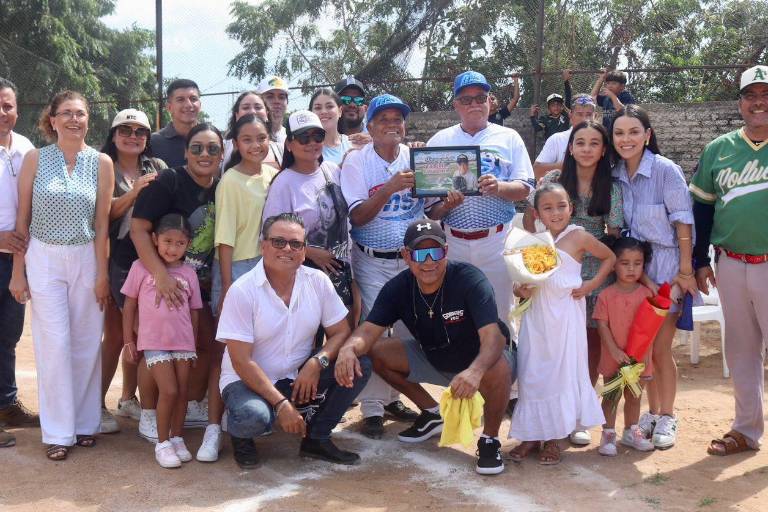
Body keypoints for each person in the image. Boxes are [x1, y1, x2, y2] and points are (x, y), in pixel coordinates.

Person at [335, 219, 516, 475]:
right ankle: (432, 413)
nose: (429, 261)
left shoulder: (469, 278)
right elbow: (368, 331)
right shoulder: (398, 287)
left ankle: (489, 440)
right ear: (406, 256)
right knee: (374, 351)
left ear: (447, 251)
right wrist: (348, 349)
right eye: (420, 253)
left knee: (497, 368)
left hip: (482, 362)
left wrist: (475, 371)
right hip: (434, 357)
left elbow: (494, 337)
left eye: (436, 252)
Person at [217, 213, 372, 468]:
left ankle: (317, 438)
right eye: (278, 242)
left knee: (358, 364)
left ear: (303, 250)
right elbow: (241, 362)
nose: (287, 249)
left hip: (297, 375)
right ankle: (241, 434)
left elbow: (341, 332)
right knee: (253, 416)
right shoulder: (242, 291)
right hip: (246, 380)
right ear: (263, 245)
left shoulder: (317, 281)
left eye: (295, 244)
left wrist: (317, 363)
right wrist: (281, 404)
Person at [10, 90, 113, 460]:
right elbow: (22, 220)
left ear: (88, 119)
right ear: (51, 120)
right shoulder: (36, 159)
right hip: (43, 257)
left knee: (87, 341)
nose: (74, 119)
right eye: (66, 113)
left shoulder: (101, 162)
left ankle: (85, 424)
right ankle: (57, 432)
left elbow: (102, 224)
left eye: (80, 113)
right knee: (53, 344)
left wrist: (102, 274)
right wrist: (18, 273)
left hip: (85, 256)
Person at [523, 120, 623, 445]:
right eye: (580, 142)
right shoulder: (552, 180)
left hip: (590, 274)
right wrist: (538, 254)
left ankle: (579, 416)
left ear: (603, 149)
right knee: (549, 346)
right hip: (553, 273)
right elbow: (530, 217)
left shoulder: (612, 186)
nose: (587, 149)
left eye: (594, 143)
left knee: (587, 346)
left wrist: (594, 277)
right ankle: (550, 416)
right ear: (570, 147)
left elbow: (614, 235)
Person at [130, 122, 224, 461]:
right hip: (160, 279)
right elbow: (140, 229)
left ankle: (183, 414)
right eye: (197, 147)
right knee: (154, 347)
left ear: (221, 154)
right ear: (185, 152)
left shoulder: (221, 187)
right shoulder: (169, 181)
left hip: (199, 284)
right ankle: (150, 415)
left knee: (195, 347)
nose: (204, 154)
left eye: (212, 148)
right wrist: (160, 275)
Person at [340, 94, 429, 438]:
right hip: (373, 259)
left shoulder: (415, 157)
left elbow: (431, 211)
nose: (393, 124)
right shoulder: (357, 162)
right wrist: (389, 188)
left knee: (409, 330)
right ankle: (372, 407)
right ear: (371, 126)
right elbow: (358, 215)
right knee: (375, 330)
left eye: (398, 119)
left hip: (410, 261)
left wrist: (448, 203)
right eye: (385, 119)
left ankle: (395, 398)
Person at [690, 64, 768, 456]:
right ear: (740, 103)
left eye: (765, 94)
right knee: (741, 350)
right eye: (751, 95)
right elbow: (702, 209)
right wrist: (700, 260)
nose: (759, 102)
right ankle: (746, 430)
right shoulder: (718, 150)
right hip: (731, 263)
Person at [612, 104, 698, 450]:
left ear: (647, 135)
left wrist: (685, 271)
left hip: (665, 271)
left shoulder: (665, 170)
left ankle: (667, 415)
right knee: (640, 348)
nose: (626, 139)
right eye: (619, 133)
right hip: (632, 272)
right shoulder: (616, 172)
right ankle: (648, 413)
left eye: (634, 132)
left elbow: (683, 222)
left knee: (660, 349)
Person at [509, 183, 613, 466]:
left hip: (566, 314)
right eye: (548, 208)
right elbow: (522, 282)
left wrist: (591, 284)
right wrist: (521, 290)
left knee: (560, 371)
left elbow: (609, 257)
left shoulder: (578, 237)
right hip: (537, 316)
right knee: (532, 372)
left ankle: (554, 436)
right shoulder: (534, 241)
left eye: (561, 206)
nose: (555, 213)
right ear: (537, 212)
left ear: (571, 208)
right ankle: (530, 435)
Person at [425, 70, 533, 335]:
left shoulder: (508, 138)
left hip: (496, 240)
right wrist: (448, 205)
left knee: (501, 315)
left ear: (490, 101)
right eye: (466, 99)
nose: (474, 104)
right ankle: (464, 373)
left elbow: (526, 188)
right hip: (454, 242)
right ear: (455, 105)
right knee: (456, 315)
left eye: (480, 97)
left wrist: (500, 187)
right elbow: (430, 209)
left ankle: (504, 371)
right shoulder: (440, 141)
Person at [99, 108, 165, 434]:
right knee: (117, 334)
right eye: (125, 130)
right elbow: (104, 214)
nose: (133, 136)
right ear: (113, 136)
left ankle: (128, 398)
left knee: (137, 333)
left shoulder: (157, 167)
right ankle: (94, 404)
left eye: (140, 131)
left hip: (149, 255)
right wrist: (135, 191)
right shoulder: (102, 165)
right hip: (118, 256)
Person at [122, 214, 202, 468]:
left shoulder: (189, 273)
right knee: (169, 390)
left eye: (180, 243)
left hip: (183, 344)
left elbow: (195, 311)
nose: (172, 248)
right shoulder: (140, 268)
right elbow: (129, 305)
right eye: (167, 241)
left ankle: (178, 438)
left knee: (182, 394)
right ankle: (163, 443)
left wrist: (194, 342)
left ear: (188, 245)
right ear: (155, 239)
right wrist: (128, 341)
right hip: (153, 342)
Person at [263, 110, 355, 319]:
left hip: (342, 272)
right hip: (303, 274)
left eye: (318, 136)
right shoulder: (283, 183)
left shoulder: (332, 170)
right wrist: (312, 252)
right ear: (289, 144)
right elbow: (269, 235)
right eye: (304, 137)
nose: (312, 142)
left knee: (343, 335)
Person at [0, 77, 38, 447]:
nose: (2, 112)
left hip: (16, 259)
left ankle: (7, 404)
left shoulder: (26, 148)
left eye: (8, 105)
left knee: (8, 335)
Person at [594, 237, 656, 456]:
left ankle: (631, 432)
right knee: (611, 396)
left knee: (634, 396)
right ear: (613, 265)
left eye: (637, 263)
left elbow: (651, 329)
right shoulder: (605, 295)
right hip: (614, 358)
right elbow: (601, 325)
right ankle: (608, 434)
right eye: (624, 263)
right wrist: (614, 350)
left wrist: (645, 357)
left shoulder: (647, 295)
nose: (631, 268)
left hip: (639, 360)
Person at [213, 115, 278, 316]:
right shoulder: (230, 181)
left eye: (261, 138)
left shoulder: (273, 175)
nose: (255, 145)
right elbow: (224, 239)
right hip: (238, 267)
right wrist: (226, 287)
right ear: (236, 144)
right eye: (247, 140)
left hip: (267, 264)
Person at [533, 94, 597, 179]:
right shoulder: (557, 139)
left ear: (595, 116)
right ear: (570, 114)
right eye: (579, 114)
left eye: (588, 114)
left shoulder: (602, 140)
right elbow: (537, 171)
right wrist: (571, 164)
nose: (584, 119)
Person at [222, 91, 282, 171]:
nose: (252, 111)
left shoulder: (280, 149)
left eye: (258, 107)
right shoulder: (224, 147)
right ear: (237, 115)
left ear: (267, 114)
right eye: (246, 108)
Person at [151, 79, 201, 168]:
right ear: (169, 107)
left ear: (200, 105)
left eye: (193, 99)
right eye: (180, 99)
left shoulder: (212, 139)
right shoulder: (153, 142)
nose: (188, 104)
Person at [309, 88, 354, 165]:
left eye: (329, 106)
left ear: (340, 111)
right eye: (318, 108)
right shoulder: (305, 149)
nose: (323, 111)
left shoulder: (353, 145)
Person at [334, 76, 372, 147]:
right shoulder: (321, 137)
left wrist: (375, 141)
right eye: (345, 99)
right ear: (334, 105)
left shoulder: (376, 135)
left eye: (358, 100)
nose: (352, 105)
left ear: (365, 108)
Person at [256, 76, 289, 146]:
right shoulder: (240, 139)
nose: (277, 101)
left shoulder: (293, 138)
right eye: (270, 97)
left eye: (281, 97)